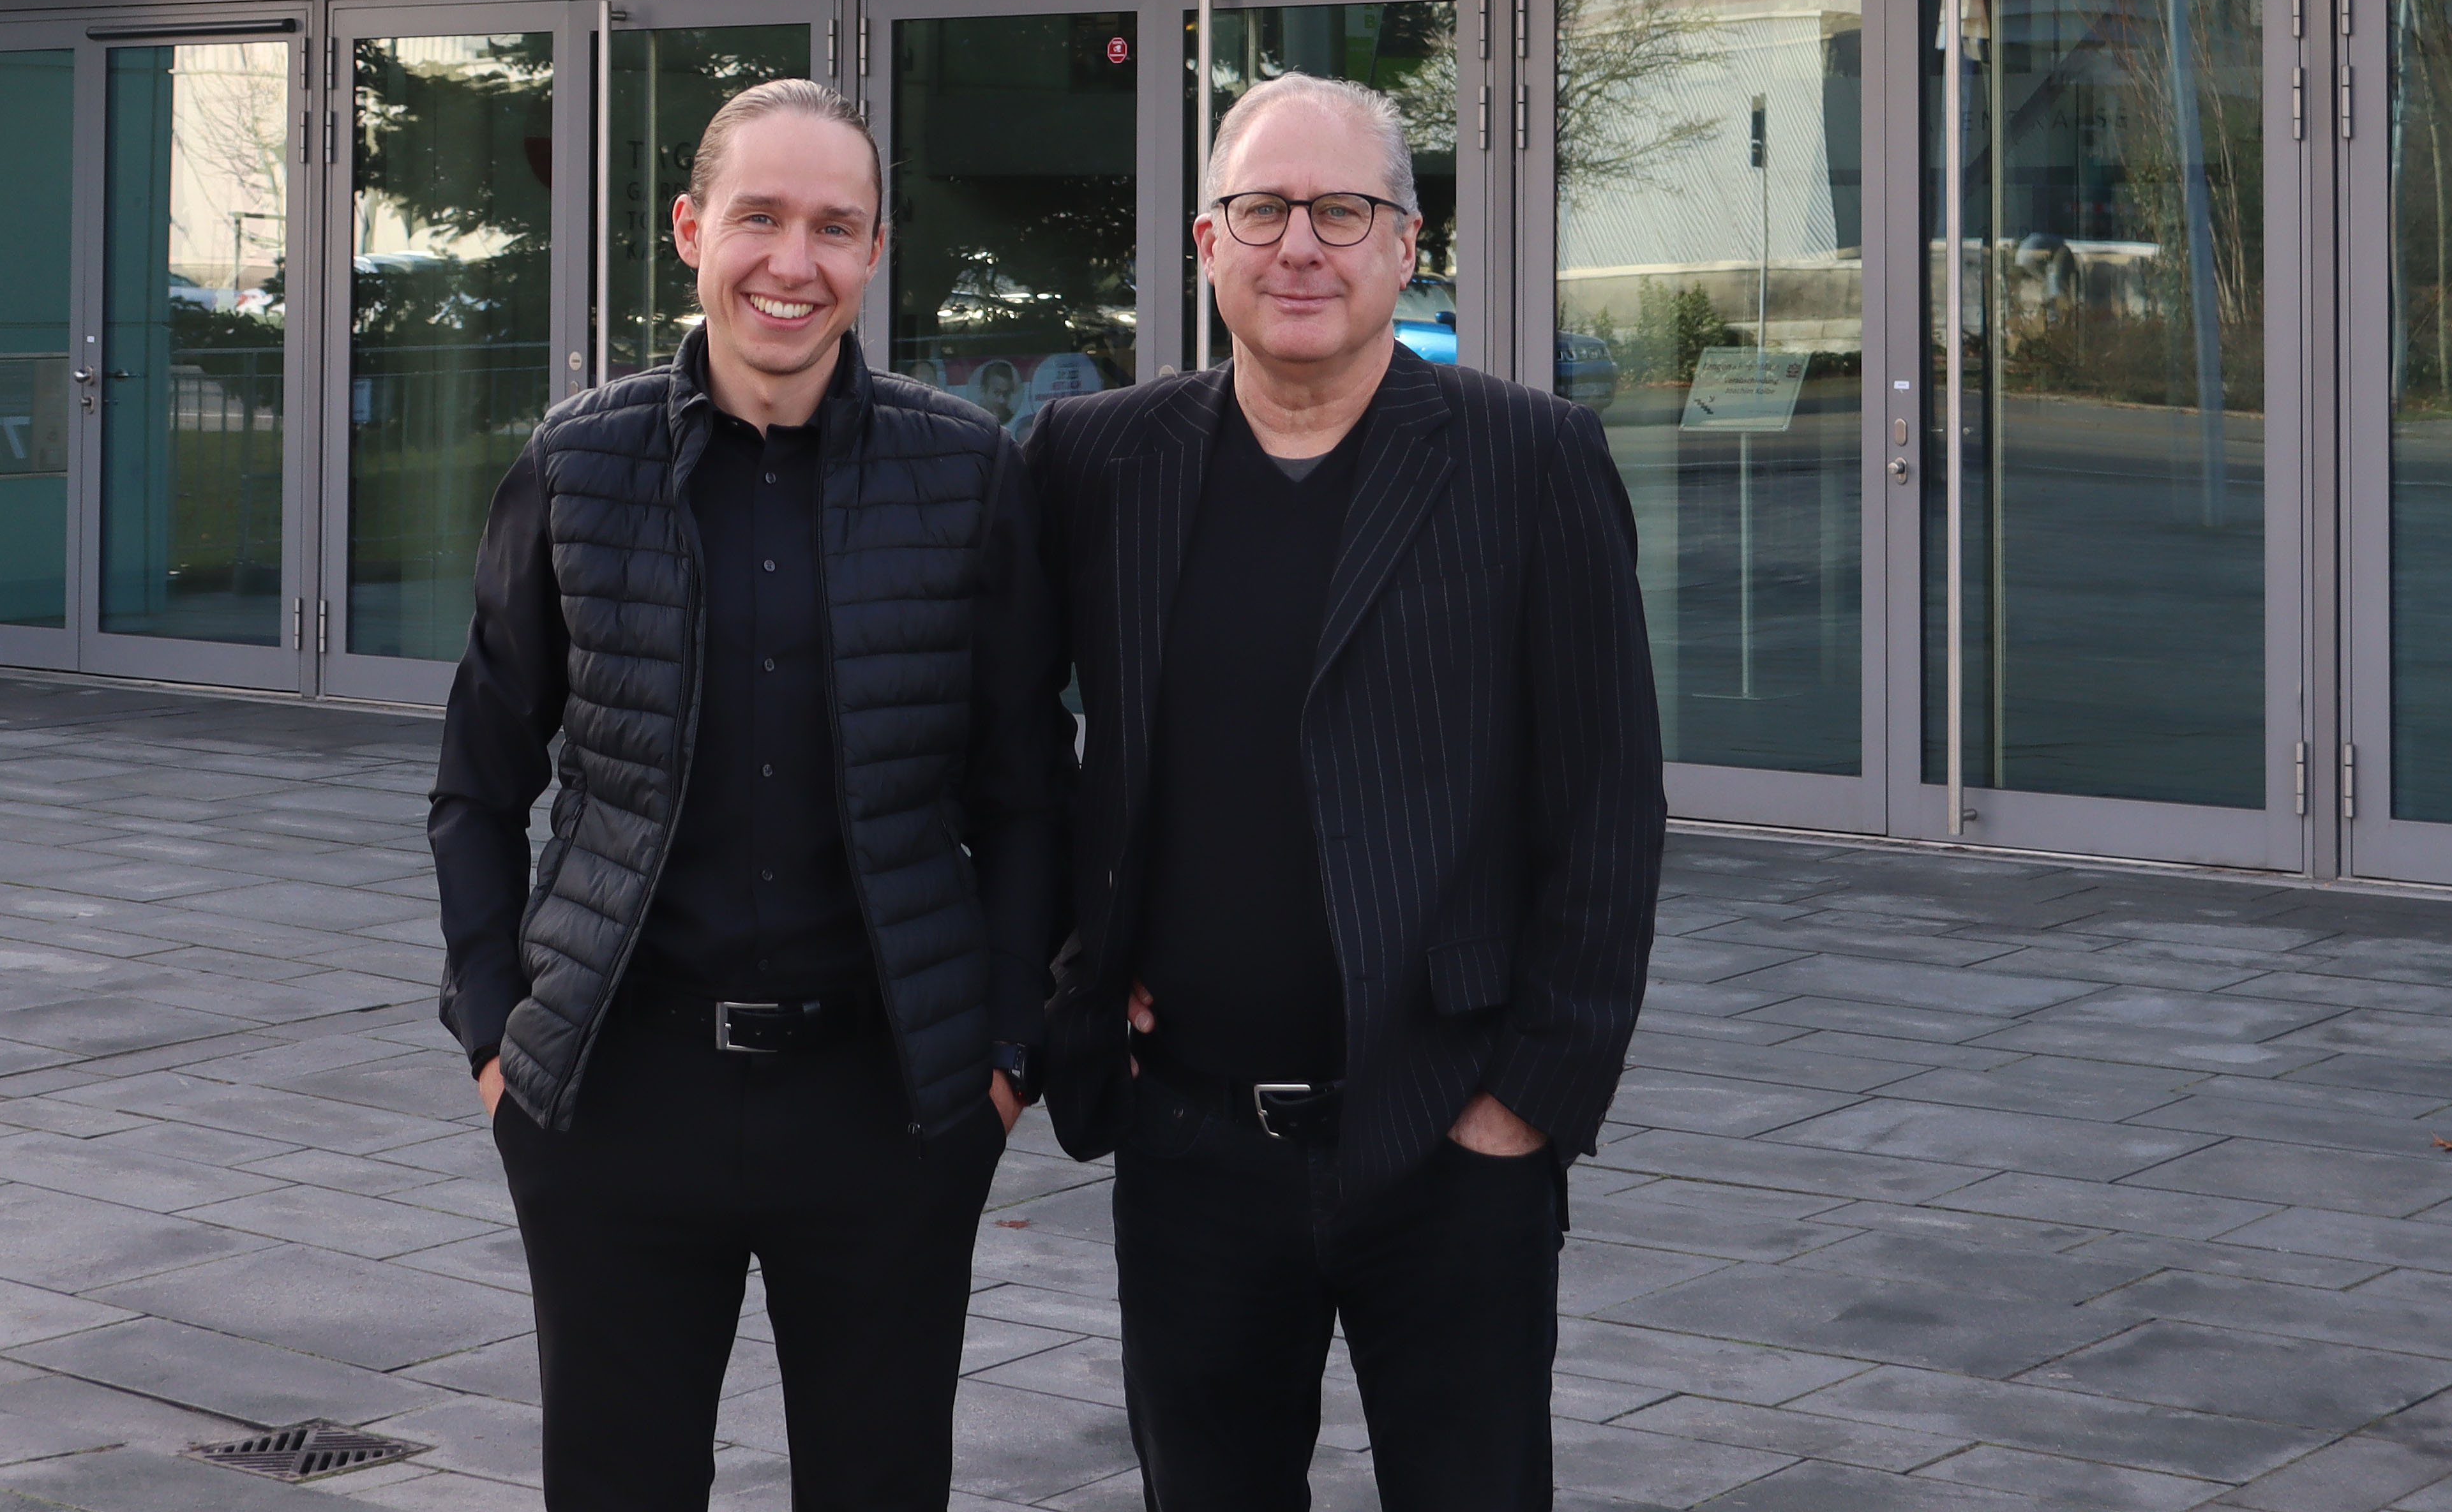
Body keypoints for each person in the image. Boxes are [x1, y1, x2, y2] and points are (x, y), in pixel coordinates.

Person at [1024, 72, 1666, 1512]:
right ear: (1208, 241)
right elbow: (1005, 745)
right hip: (1191, 1140)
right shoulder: (1097, 461)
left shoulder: (1531, 461)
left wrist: (1526, 1104)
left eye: (1343, 210)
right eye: (1262, 210)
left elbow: (1609, 807)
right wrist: (1079, 968)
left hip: (1450, 1143)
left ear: (1406, 243)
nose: (1300, 245)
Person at [428, 77, 1066, 1512]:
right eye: (759, 217)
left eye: (835, 226)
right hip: (616, 1098)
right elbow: (477, 784)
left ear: (876, 251)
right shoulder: (577, 465)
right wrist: (495, 1037)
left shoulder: (965, 477)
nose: (795, 261)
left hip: (891, 1104)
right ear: (689, 229)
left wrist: (1005, 1058)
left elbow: (1029, 795)